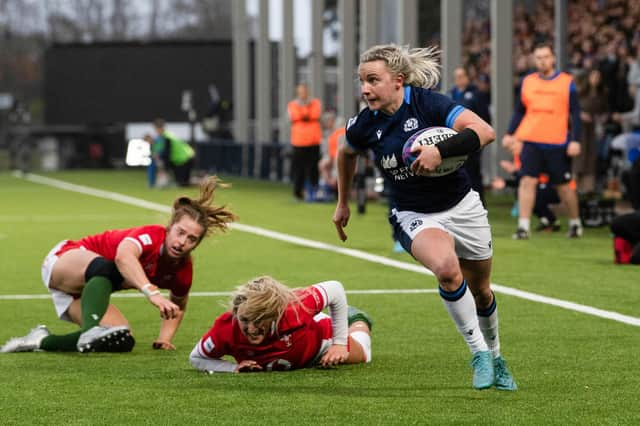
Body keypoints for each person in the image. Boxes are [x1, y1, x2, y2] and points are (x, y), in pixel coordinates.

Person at [332, 44, 516, 390]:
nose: (365, 89)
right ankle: (478, 353)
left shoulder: (428, 103)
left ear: (398, 80)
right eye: (361, 81)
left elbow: (486, 132)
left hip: (463, 206)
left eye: (373, 80)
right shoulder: (364, 124)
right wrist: (342, 203)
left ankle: (496, 356)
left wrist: (440, 151)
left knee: (482, 291)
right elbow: (346, 153)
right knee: (447, 270)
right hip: (413, 212)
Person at [0, 177, 236, 353]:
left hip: (84, 293)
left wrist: (165, 337)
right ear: (169, 227)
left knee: (120, 339)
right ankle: (91, 328)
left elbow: (178, 305)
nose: (182, 242)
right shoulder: (151, 236)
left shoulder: (183, 269)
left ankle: (40, 340)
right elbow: (124, 257)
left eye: (191, 239)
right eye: (180, 232)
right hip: (65, 261)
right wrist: (151, 292)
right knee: (110, 267)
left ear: (197, 244)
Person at [189, 276, 372, 373]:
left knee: (365, 354)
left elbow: (335, 288)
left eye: (259, 321)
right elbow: (197, 358)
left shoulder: (293, 308)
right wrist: (232, 368)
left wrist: (339, 343)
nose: (251, 329)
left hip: (320, 344)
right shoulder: (226, 328)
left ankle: (356, 319)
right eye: (245, 320)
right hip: (297, 357)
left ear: (273, 314)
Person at [503, 42, 583, 239]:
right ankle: (523, 227)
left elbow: (575, 113)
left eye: (546, 57)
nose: (542, 61)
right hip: (531, 140)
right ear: (534, 60)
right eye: (538, 57)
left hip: (557, 142)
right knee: (527, 181)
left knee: (564, 186)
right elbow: (520, 111)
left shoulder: (566, 82)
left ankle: (575, 223)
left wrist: (575, 140)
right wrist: (509, 133)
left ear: (553, 58)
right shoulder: (528, 81)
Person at [449, 66, 492, 205]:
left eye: (461, 76)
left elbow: (485, 117)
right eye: (456, 77)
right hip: (453, 139)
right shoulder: (451, 94)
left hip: (471, 139)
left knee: (472, 172)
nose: (458, 80)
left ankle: (479, 203)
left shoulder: (476, 95)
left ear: (467, 77)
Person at [288, 83, 323, 201]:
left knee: (314, 168)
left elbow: (315, 114)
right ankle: (298, 193)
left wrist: (304, 114)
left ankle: (314, 192)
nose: (303, 93)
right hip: (298, 142)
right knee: (299, 169)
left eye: (304, 91)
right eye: (301, 91)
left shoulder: (316, 103)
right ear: (297, 92)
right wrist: (306, 114)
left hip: (313, 140)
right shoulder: (292, 104)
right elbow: (295, 116)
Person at [153, 118, 196, 187]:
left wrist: (164, 168)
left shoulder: (166, 137)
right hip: (188, 156)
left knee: (182, 183)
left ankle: (204, 181)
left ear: (158, 128)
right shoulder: (169, 134)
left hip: (183, 160)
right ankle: (204, 181)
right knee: (184, 183)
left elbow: (167, 153)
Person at [317, 112, 346, 200]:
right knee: (322, 164)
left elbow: (341, 153)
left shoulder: (341, 132)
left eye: (327, 121)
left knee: (336, 165)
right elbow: (328, 152)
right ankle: (326, 189)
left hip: (343, 160)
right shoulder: (330, 134)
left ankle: (331, 189)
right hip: (334, 159)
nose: (325, 124)